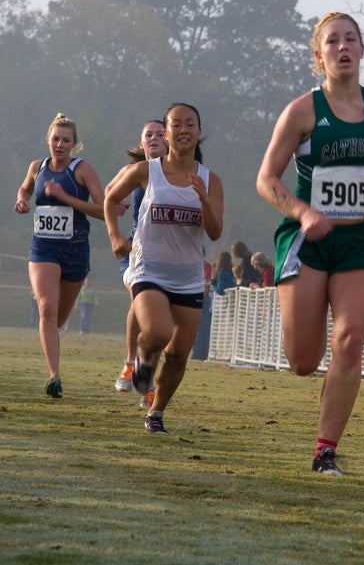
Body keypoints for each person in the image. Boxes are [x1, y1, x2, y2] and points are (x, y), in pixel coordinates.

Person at [255, 10, 364, 475]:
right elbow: (266, 180)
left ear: (362, 50)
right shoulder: (302, 111)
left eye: (350, 40)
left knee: (349, 343)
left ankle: (325, 449)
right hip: (307, 240)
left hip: (359, 242)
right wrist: (304, 212)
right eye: (332, 42)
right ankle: (319, 401)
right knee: (304, 361)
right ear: (319, 55)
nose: (342, 48)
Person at [105, 102, 224, 434]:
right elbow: (110, 197)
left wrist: (203, 201)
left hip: (187, 277)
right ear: (167, 133)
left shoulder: (210, 180)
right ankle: (142, 358)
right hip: (148, 270)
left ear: (199, 132)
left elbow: (215, 232)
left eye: (190, 124)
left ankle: (156, 413)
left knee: (177, 356)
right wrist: (115, 235)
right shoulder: (147, 171)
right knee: (158, 332)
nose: (183, 130)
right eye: (176, 124)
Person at [14, 113, 105, 399]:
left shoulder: (82, 170)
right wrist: (21, 200)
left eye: (66, 140)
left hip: (76, 249)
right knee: (47, 309)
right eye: (55, 139)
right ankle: (54, 376)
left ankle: (53, 350)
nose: (60, 144)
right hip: (44, 247)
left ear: (74, 144)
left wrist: (65, 198)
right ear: (48, 140)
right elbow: (25, 189)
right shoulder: (36, 167)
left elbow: (104, 210)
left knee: (59, 317)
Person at [111, 120, 168, 396]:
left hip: (169, 257)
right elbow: (109, 195)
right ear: (142, 142)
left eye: (161, 134)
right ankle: (130, 363)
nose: (155, 138)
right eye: (149, 135)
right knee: (139, 299)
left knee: (158, 323)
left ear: (169, 141)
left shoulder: (176, 173)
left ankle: (149, 381)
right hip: (136, 254)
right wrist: (120, 203)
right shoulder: (132, 171)